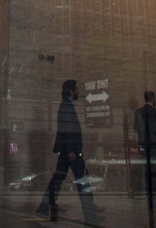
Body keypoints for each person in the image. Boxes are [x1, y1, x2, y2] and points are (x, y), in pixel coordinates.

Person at [36, 80, 106, 223]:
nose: (78, 92)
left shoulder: (66, 106)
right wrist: (71, 151)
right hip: (71, 151)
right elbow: (67, 130)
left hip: (67, 151)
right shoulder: (67, 106)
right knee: (83, 180)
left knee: (58, 179)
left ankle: (45, 207)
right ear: (71, 91)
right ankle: (90, 214)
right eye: (76, 89)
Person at [134, 91, 156, 209]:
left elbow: (137, 130)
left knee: (148, 176)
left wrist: (142, 147)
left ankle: (150, 202)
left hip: (146, 150)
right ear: (153, 98)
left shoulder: (138, 112)